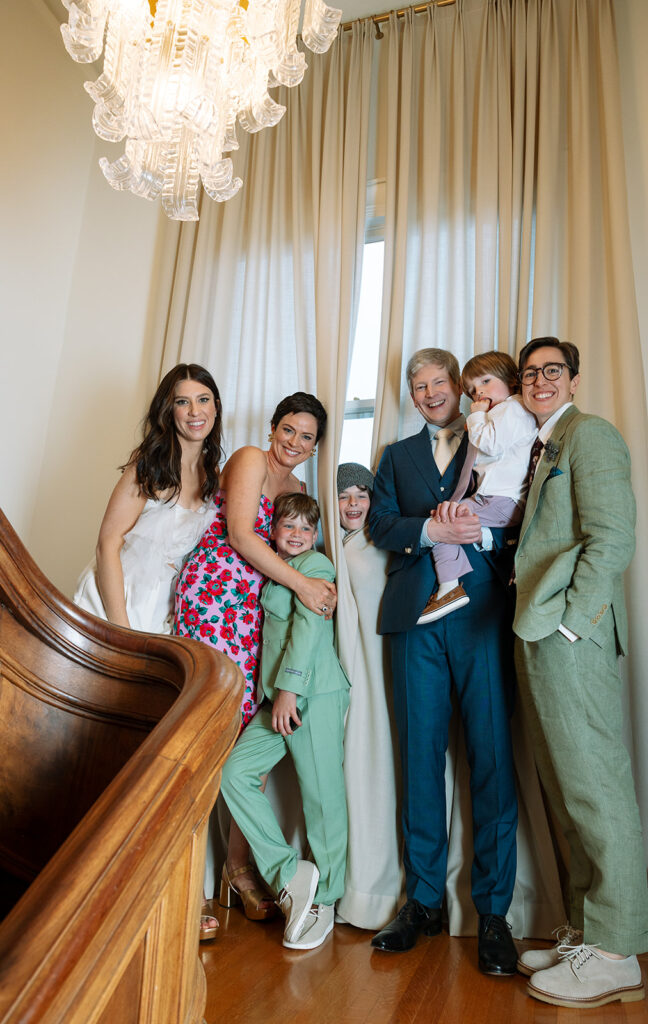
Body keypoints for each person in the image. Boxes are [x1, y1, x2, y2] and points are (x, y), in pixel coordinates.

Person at [368, 348, 519, 975]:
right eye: (418, 385)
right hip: (414, 621)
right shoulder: (395, 457)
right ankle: (423, 903)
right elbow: (379, 522)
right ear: (411, 396)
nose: (430, 392)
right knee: (420, 761)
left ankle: (493, 914)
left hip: (481, 615)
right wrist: (429, 533)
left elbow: (520, 515)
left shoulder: (499, 436)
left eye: (438, 382)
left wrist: (477, 536)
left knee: (491, 759)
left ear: (459, 387)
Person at [513, 337, 648, 1008]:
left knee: (595, 787)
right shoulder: (542, 445)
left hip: (572, 635)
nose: (539, 380)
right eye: (529, 373)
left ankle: (616, 953)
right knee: (570, 794)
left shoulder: (588, 435)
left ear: (571, 380)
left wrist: (571, 621)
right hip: (539, 633)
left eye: (551, 371)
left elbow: (612, 535)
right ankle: (587, 933)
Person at [74, 362, 223, 940]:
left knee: (154, 756)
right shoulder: (147, 466)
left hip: (171, 622)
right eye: (183, 401)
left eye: (204, 399)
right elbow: (108, 542)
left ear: (215, 408)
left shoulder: (214, 474)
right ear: (169, 410)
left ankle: (150, 888)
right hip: (118, 607)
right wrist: (121, 631)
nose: (194, 411)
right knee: (99, 744)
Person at [174, 392, 335, 922]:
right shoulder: (248, 459)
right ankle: (190, 879)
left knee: (244, 746)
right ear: (272, 427)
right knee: (205, 735)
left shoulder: (302, 490)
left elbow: (301, 550)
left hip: (258, 614)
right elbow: (242, 535)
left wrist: (318, 588)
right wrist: (305, 585)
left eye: (306, 436)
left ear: (315, 446)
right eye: (288, 429)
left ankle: (237, 868)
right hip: (217, 599)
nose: (294, 442)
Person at [221, 493, 349, 951]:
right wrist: (278, 694)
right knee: (234, 774)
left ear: (315, 536)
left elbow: (308, 629)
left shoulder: (316, 567)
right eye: (287, 526)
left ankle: (326, 899)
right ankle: (290, 873)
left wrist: (290, 690)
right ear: (273, 531)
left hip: (312, 694)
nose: (296, 535)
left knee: (321, 797)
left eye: (305, 529)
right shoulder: (277, 570)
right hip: (275, 698)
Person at [334, 463, 404, 930]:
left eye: (362, 494)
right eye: (345, 497)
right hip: (353, 675)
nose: (354, 504)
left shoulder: (378, 544)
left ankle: (381, 891)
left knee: (381, 769)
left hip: (384, 671)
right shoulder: (333, 549)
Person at [418, 351, 537, 624]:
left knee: (443, 521)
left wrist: (477, 416)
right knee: (447, 517)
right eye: (472, 390)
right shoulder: (503, 411)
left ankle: (449, 586)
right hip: (496, 500)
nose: (478, 393)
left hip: (500, 499)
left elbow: (489, 443)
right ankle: (478, 539)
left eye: (485, 382)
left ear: (512, 381)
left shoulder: (513, 408)